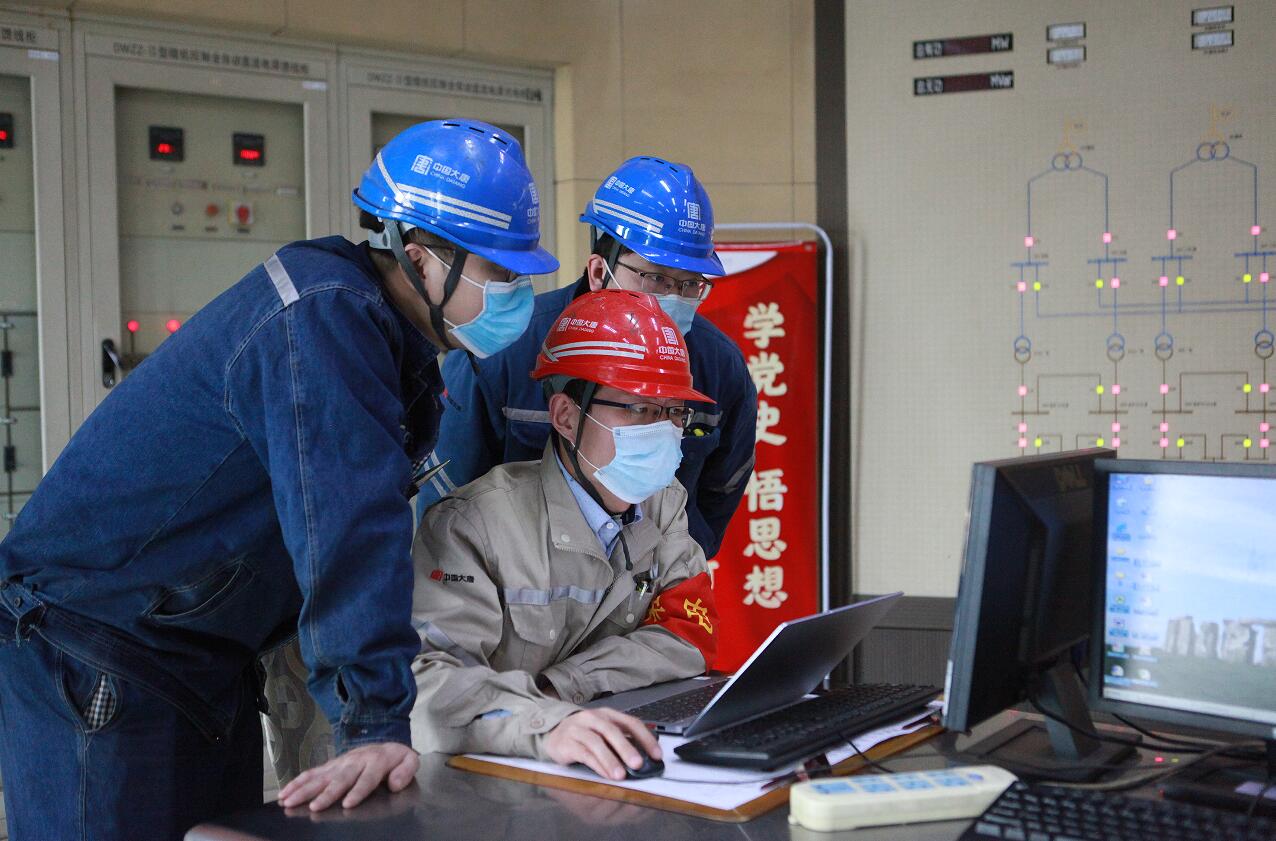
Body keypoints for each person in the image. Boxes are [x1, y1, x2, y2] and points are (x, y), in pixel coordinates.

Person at [0, 118, 557, 840]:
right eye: (501, 273)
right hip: (99, 648)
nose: (516, 293)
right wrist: (372, 722)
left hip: (198, 651)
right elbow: (347, 526)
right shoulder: (323, 322)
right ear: (421, 257)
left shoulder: (385, 334)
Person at [409, 289, 719, 780]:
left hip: (606, 760)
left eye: (673, 412)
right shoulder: (473, 525)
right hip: (488, 778)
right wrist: (545, 722)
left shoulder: (665, 503)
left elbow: (688, 633)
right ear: (566, 417)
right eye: (638, 408)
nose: (661, 431)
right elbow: (429, 690)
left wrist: (566, 685)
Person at [418, 156, 757, 560]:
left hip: (650, 582)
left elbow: (719, 494)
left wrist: (667, 573)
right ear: (599, 272)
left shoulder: (719, 368)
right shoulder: (508, 351)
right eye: (657, 278)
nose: (674, 298)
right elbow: (448, 502)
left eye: (689, 284)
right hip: (517, 582)